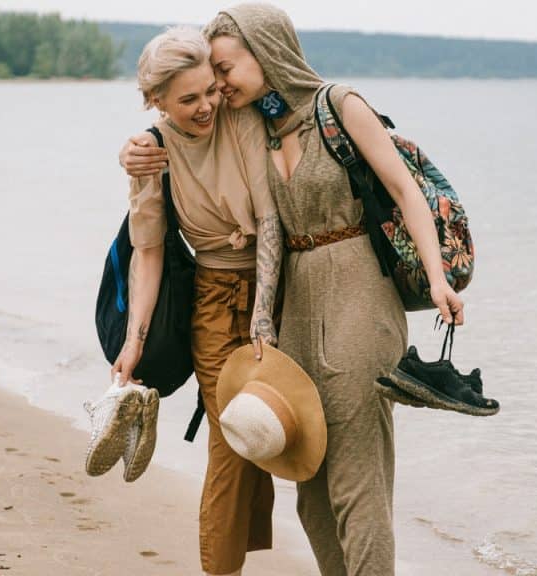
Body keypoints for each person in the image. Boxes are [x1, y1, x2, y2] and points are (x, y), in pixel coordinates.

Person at [121, 5, 465, 575]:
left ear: (267, 52)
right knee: (310, 484)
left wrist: (437, 278)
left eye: (225, 71)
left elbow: (405, 191)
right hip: (294, 304)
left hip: (358, 292)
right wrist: (133, 152)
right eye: (212, 77)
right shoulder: (258, 121)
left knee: (358, 480)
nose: (219, 87)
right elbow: (175, 173)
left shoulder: (339, 105)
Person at [112, 26, 285, 576]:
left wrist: (265, 321)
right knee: (232, 437)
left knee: (288, 434)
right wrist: (132, 342)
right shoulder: (151, 152)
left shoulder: (242, 117)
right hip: (213, 300)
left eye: (210, 89)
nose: (208, 104)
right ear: (154, 100)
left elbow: (269, 221)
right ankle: (222, 568)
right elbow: (149, 250)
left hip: (280, 291)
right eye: (188, 99)